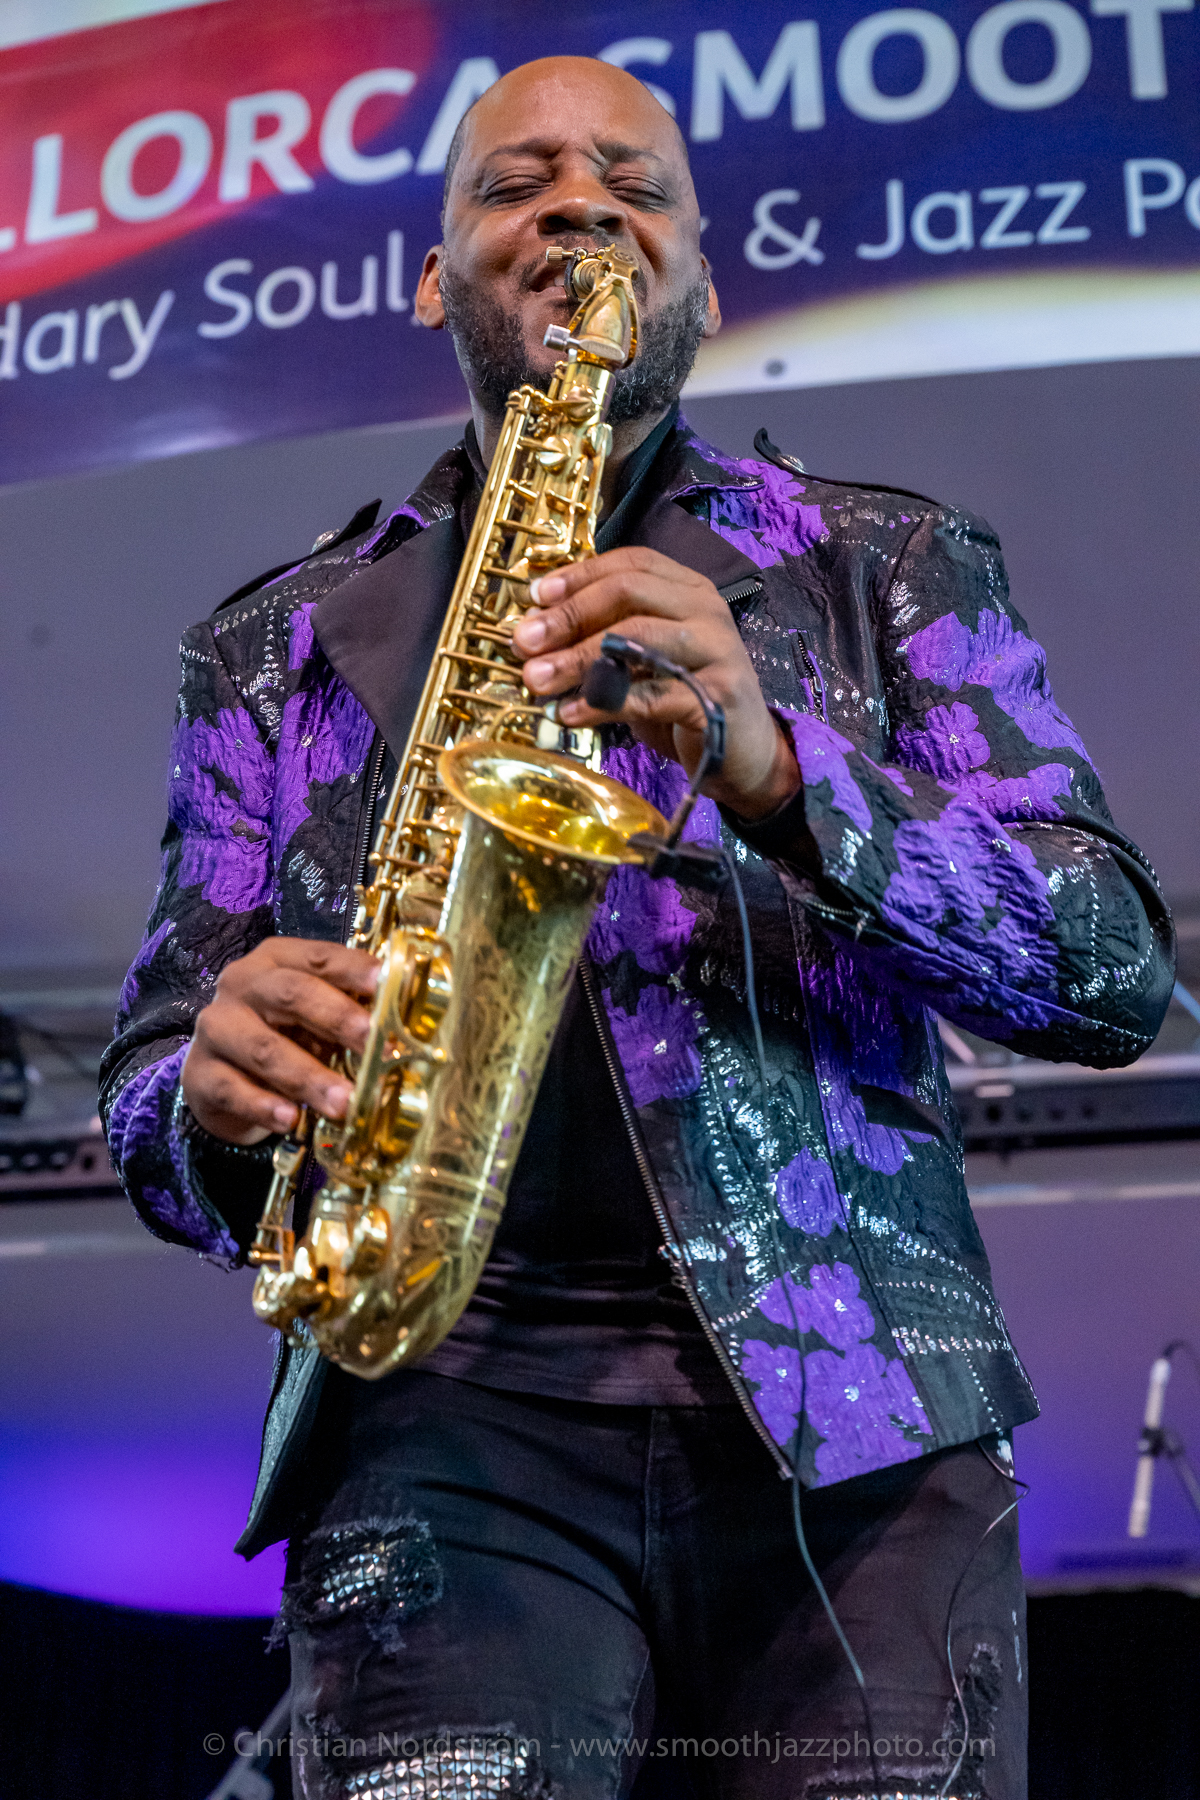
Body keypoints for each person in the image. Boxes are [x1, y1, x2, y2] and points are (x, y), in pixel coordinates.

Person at [101, 55, 1173, 1800]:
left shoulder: (889, 565)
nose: (581, 206)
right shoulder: (267, 645)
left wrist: (784, 770)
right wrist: (204, 1100)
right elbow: (154, 1069)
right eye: (517, 182)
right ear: (434, 278)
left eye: (633, 183)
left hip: (866, 1422)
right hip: (435, 1417)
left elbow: (1114, 969)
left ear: (701, 283)